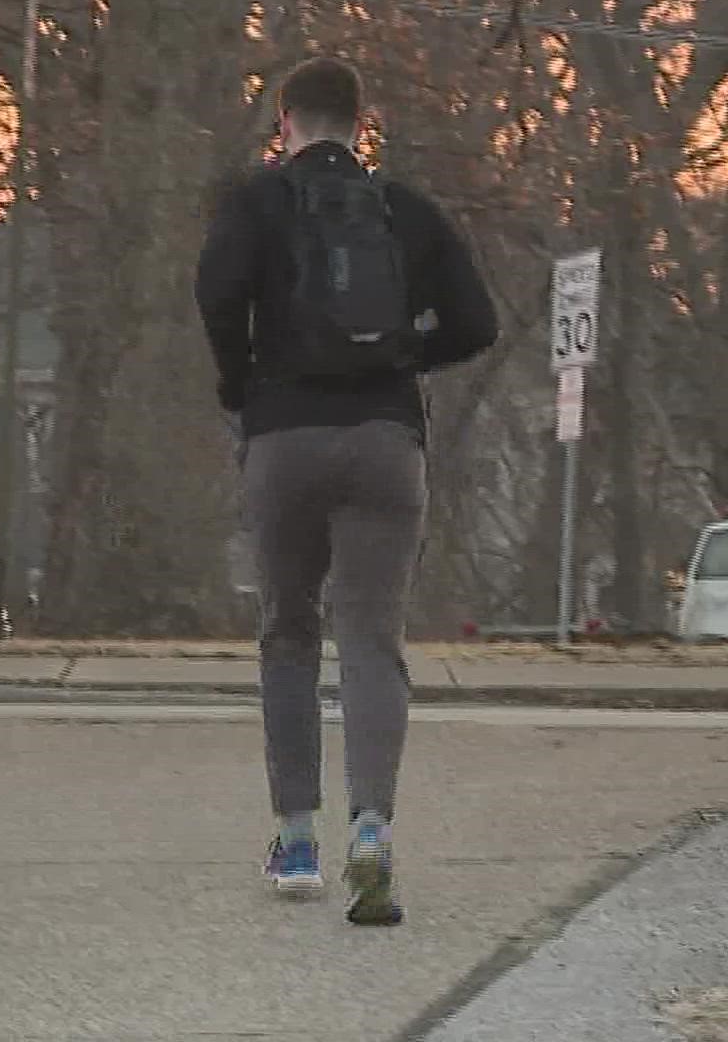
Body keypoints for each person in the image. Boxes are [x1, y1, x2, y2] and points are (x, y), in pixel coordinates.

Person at [195, 57, 499, 925]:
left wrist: (241, 386)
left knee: (288, 631)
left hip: (284, 439)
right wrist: (402, 355)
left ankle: (296, 839)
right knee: (372, 637)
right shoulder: (403, 210)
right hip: (384, 441)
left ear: (284, 123)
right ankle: (372, 828)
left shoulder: (255, 202)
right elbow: (477, 322)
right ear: (363, 124)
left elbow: (214, 293)